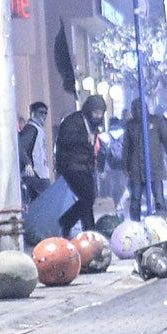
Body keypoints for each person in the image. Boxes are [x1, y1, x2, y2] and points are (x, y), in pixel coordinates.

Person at [56, 94, 108, 235]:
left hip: (85, 166)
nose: (98, 116)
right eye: (96, 113)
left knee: (88, 199)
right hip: (72, 166)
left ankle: (88, 229)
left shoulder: (92, 125)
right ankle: (68, 221)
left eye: (100, 114)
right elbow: (65, 140)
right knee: (87, 197)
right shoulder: (73, 121)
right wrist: (85, 139)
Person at [123, 95, 167, 220]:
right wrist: (125, 165)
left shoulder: (156, 121)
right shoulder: (130, 126)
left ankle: (162, 222)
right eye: (136, 109)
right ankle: (135, 223)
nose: (139, 111)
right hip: (136, 168)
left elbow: (166, 139)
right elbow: (126, 147)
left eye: (141, 108)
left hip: (154, 166)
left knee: (159, 198)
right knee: (135, 199)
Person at [18, 100, 53, 203]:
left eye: (45, 113)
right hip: (35, 174)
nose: (43, 116)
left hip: (40, 173)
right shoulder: (31, 128)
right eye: (40, 112)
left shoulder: (38, 128)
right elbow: (21, 147)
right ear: (33, 113)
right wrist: (27, 164)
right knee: (43, 204)